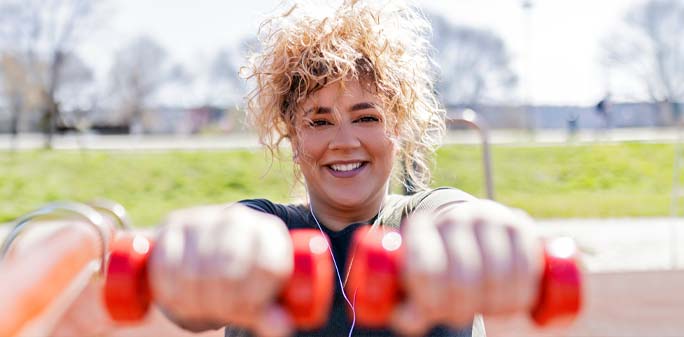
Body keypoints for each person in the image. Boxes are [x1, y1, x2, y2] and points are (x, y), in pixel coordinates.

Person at [53, 1, 542, 336]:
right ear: (292, 134)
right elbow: (200, 294)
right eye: (319, 119)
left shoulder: (426, 217)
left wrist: (485, 233)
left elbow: (456, 214)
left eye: (366, 117)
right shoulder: (266, 227)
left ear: (399, 126)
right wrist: (202, 255)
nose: (344, 141)